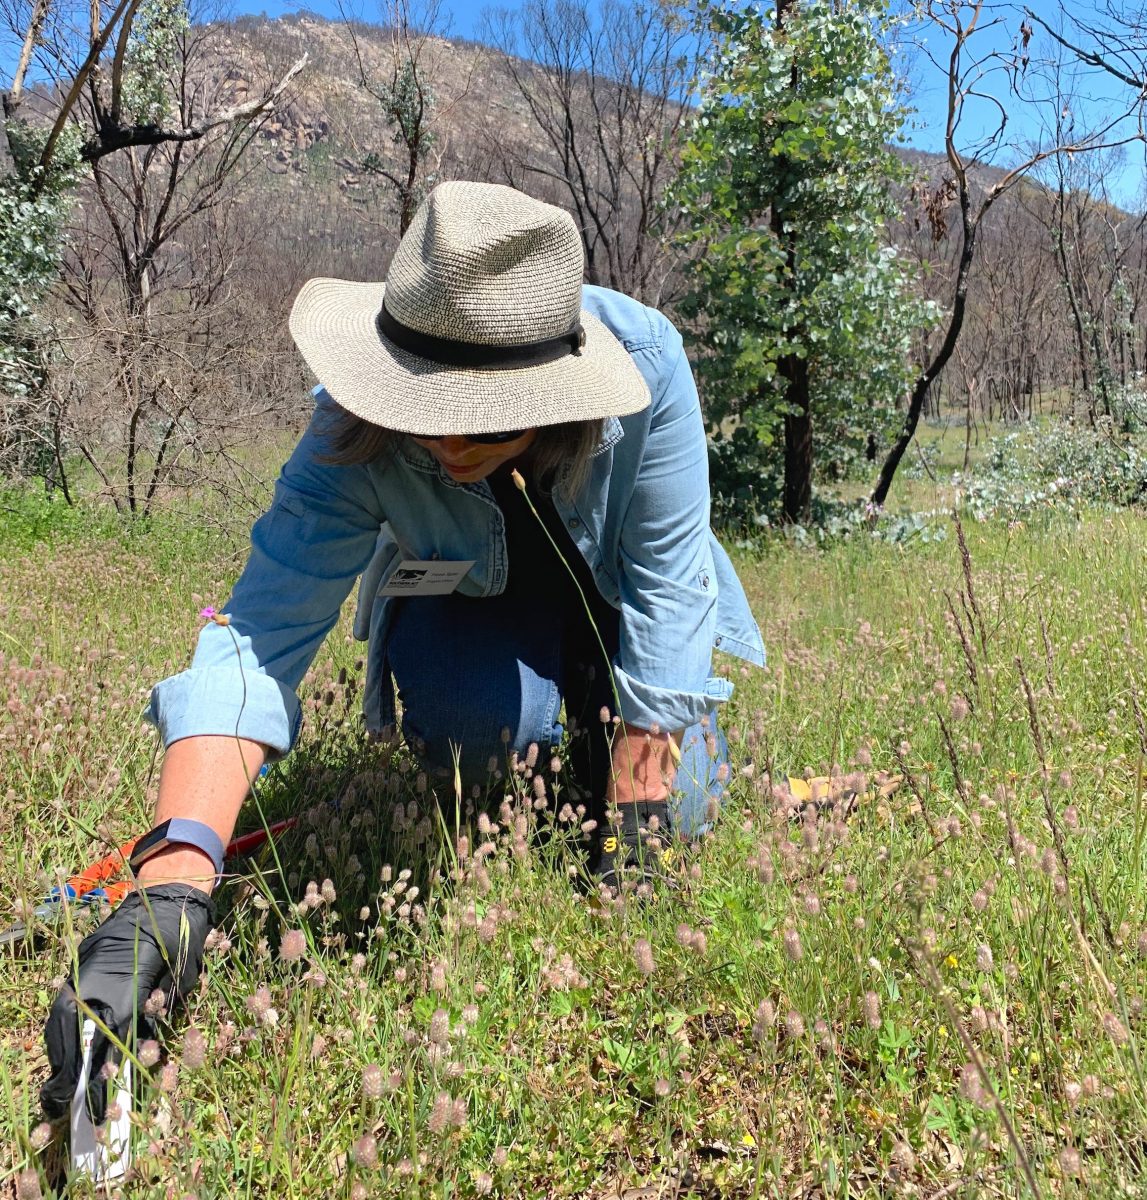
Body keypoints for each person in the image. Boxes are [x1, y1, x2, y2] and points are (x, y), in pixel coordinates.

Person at [40, 182, 765, 1123]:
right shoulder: (348, 429)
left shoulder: (651, 365)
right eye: (426, 410)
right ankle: (530, 760)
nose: (449, 443)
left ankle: (618, 771)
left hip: (617, 607)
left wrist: (632, 828)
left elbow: (670, 588)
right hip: (467, 604)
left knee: (681, 811)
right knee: (476, 722)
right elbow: (260, 632)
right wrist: (172, 884)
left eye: (487, 417)